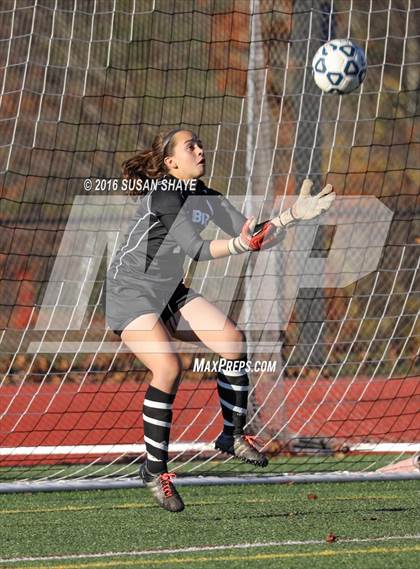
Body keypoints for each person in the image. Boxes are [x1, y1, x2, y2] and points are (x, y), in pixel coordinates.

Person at [105, 128, 335, 512]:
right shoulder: (163, 195)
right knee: (168, 368)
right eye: (189, 146)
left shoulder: (206, 199)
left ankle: (231, 435)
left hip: (167, 291)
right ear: (170, 163)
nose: (199, 149)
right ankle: (155, 470)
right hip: (130, 291)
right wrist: (242, 243)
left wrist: (293, 216)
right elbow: (196, 250)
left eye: (199, 143)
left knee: (232, 340)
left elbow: (254, 234)